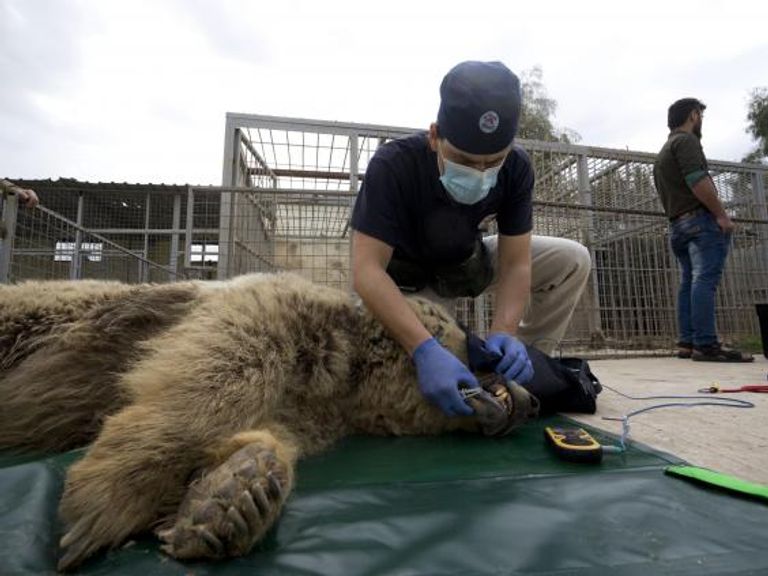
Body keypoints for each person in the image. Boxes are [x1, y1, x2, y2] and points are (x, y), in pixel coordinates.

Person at [350, 61, 592, 417]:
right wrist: (423, 348)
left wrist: (504, 331)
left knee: (572, 259)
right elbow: (367, 271)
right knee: (371, 367)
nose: (480, 173)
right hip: (406, 284)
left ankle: (515, 373)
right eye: (464, 160)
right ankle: (430, 352)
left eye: (493, 162)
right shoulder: (394, 164)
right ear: (434, 136)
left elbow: (516, 263)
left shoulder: (517, 167)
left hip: (467, 264)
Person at [653, 98, 753, 362]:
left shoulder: (663, 152)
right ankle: (706, 344)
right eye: (701, 116)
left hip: (677, 225)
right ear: (694, 115)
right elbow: (697, 180)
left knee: (689, 281)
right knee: (704, 280)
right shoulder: (686, 142)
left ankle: (687, 342)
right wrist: (721, 215)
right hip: (699, 222)